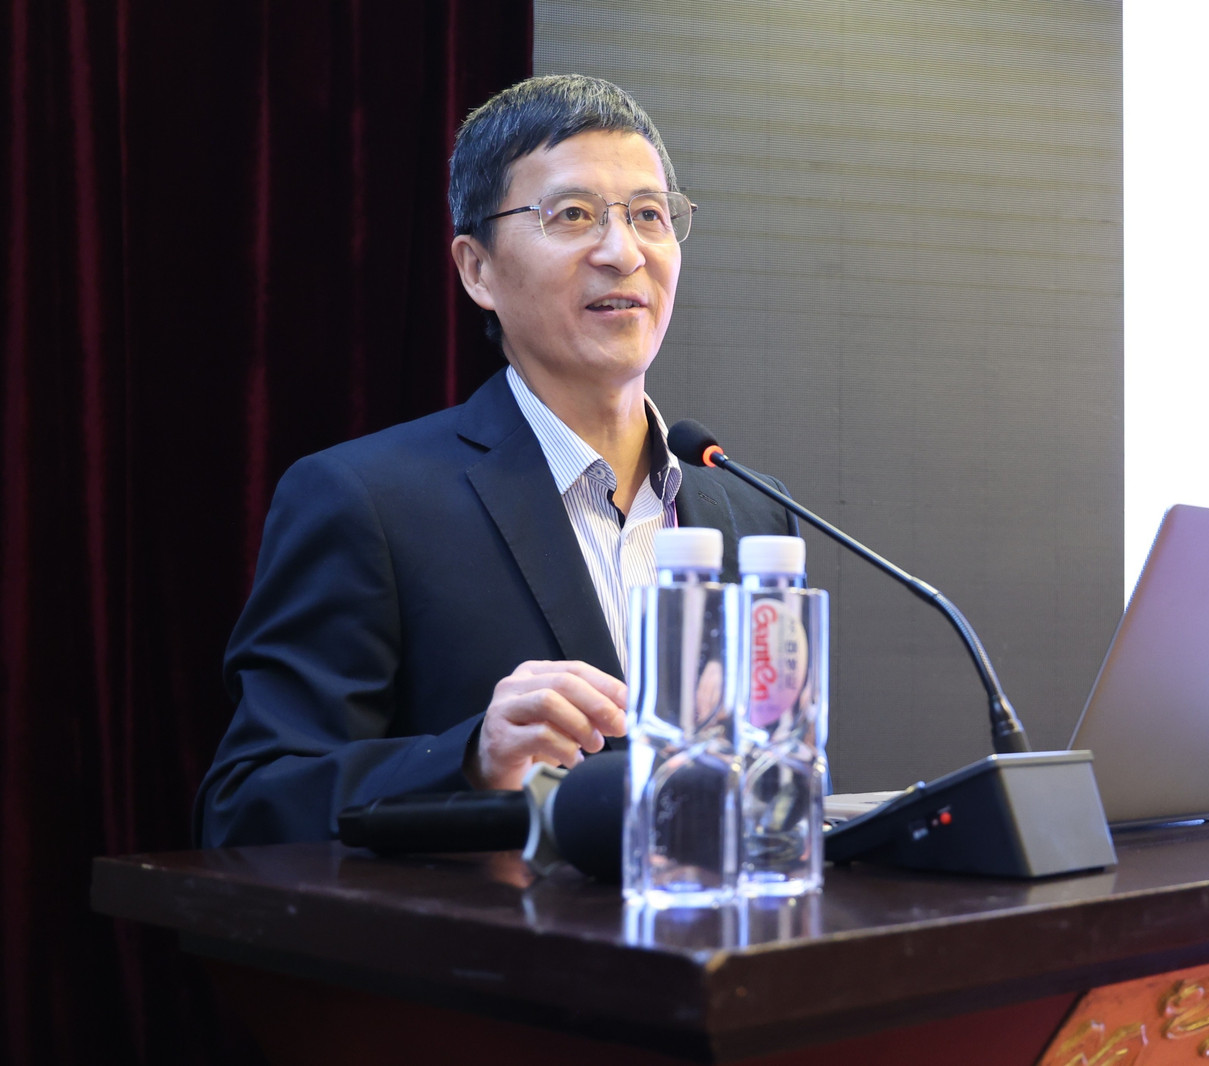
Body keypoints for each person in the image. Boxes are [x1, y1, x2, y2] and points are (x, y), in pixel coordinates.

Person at [196, 74, 797, 847]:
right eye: (572, 215)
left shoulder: (753, 512)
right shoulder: (366, 501)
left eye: (649, 215)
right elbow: (245, 809)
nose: (622, 253)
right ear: (476, 269)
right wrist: (472, 757)